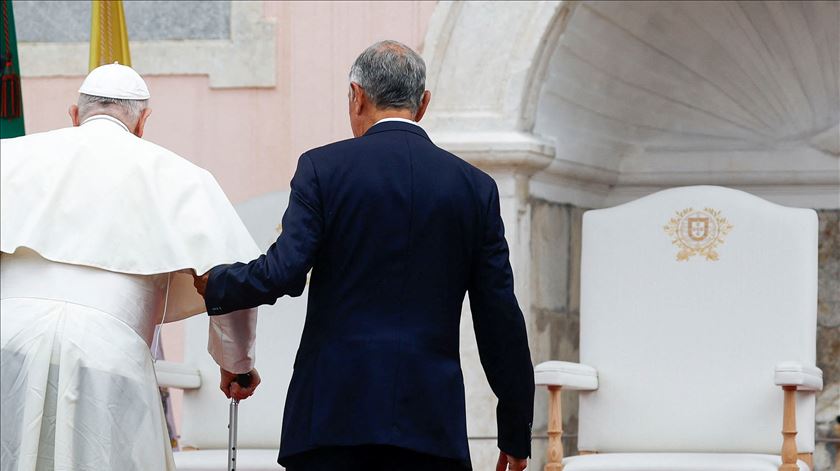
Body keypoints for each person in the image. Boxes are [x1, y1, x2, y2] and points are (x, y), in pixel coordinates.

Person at [194, 41, 534, 471]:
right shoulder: (474, 188)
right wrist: (516, 430)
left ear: (356, 96)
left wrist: (217, 283)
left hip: (332, 420)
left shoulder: (322, 169)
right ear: (423, 103)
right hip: (430, 424)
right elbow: (499, 315)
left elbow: (283, 272)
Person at [0, 63, 262, 471]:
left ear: (75, 115)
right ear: (143, 121)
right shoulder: (182, 177)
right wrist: (236, 364)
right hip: (107, 357)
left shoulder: (9, 154)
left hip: (6, 342)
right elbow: (229, 279)